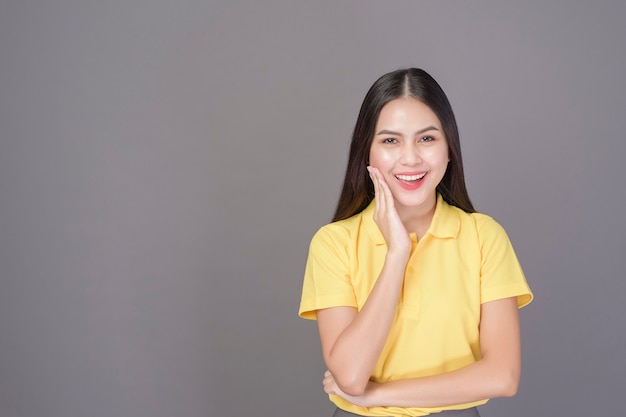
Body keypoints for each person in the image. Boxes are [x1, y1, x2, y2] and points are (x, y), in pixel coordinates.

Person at [299, 68, 533, 417]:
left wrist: (378, 396)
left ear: (449, 149)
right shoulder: (334, 243)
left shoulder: (484, 237)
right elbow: (349, 376)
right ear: (367, 152)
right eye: (390, 140)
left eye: (426, 139)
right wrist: (397, 255)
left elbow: (503, 376)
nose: (410, 158)